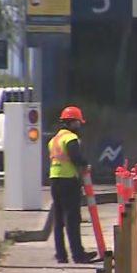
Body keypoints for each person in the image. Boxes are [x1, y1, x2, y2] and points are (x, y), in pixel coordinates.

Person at [49, 106, 98, 264]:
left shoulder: (54, 139)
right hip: (68, 179)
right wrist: (85, 164)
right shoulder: (70, 138)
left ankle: (61, 255)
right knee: (72, 218)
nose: (79, 126)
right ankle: (78, 254)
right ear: (72, 122)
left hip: (55, 178)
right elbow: (75, 157)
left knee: (58, 219)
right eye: (78, 122)